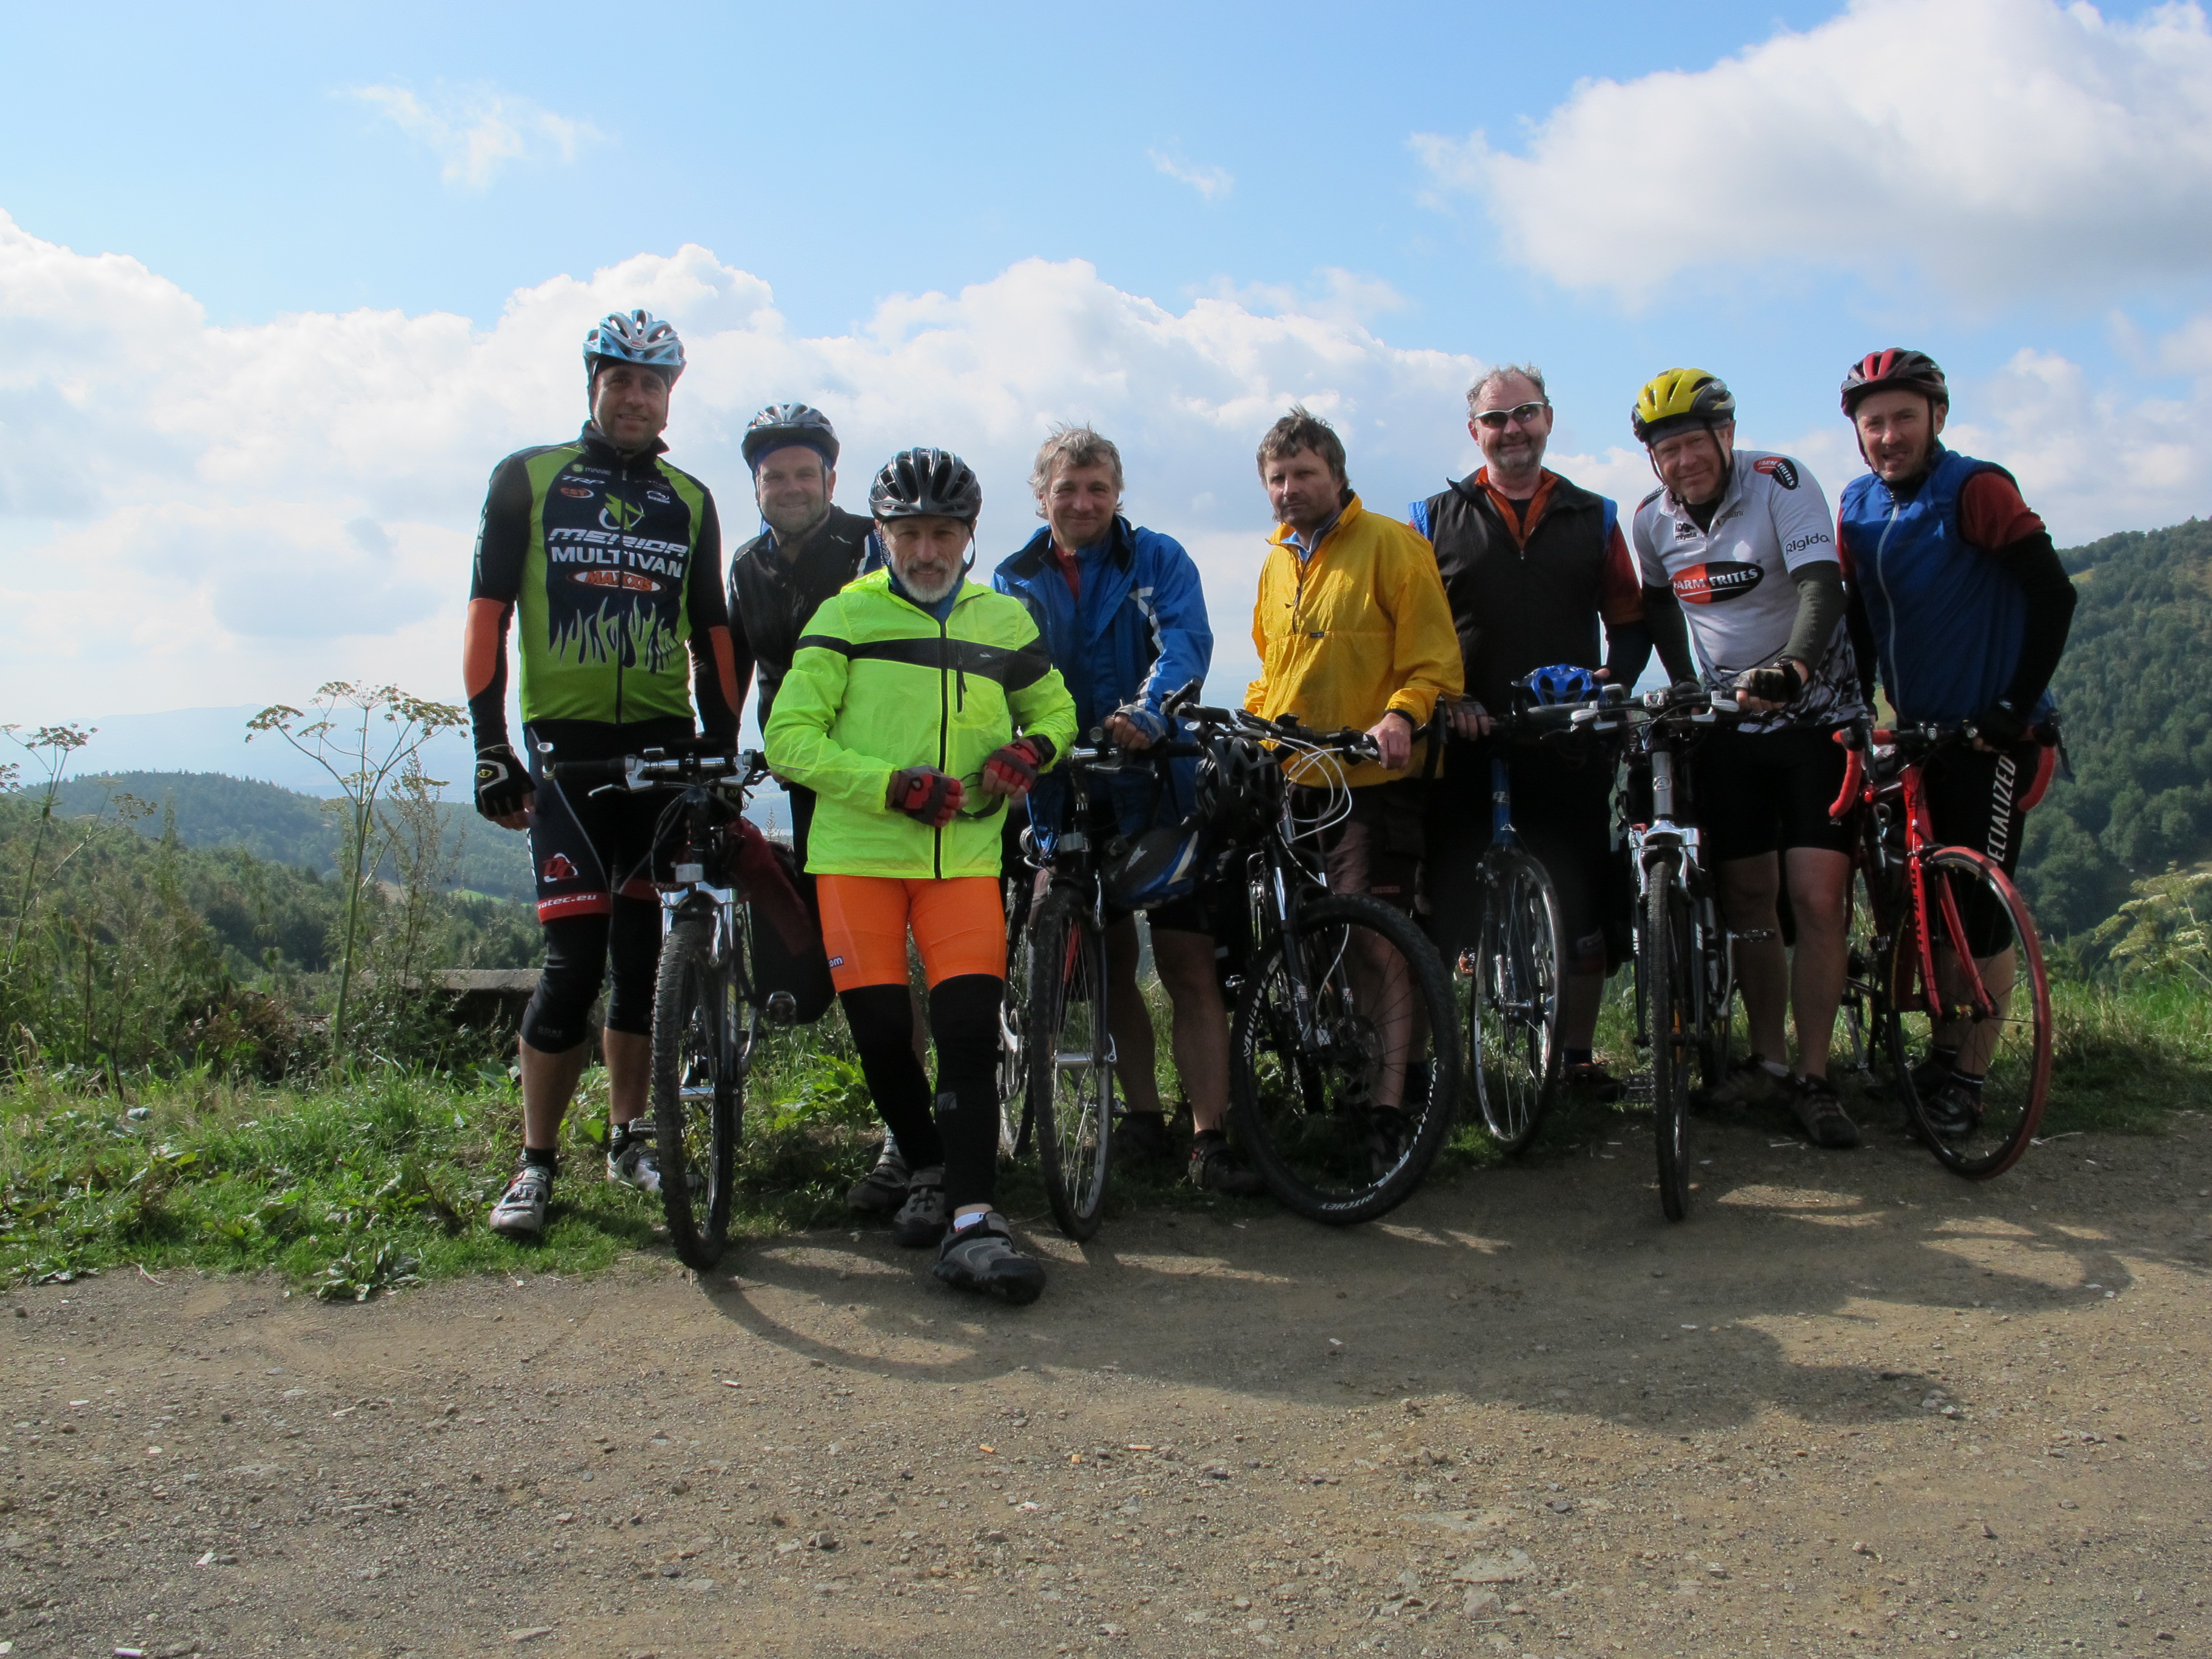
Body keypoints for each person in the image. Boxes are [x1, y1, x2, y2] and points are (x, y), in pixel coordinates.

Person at [765, 447, 1078, 1304]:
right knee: (879, 1035)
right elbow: (789, 739)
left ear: (969, 535)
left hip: (963, 860)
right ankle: (932, 1167)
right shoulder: (846, 615)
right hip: (858, 860)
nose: (927, 551)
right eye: (910, 534)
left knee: (969, 1033)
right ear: (882, 534)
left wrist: (1032, 749)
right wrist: (889, 786)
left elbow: (1055, 708)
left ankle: (973, 1222)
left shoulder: (1003, 620)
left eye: (944, 533)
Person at [466, 310, 741, 1238]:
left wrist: (721, 741)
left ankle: (629, 1138)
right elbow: (489, 612)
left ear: (670, 396)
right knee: (571, 964)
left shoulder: (689, 498)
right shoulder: (530, 477)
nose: (635, 397)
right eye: (619, 379)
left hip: (662, 747)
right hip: (568, 751)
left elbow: (712, 629)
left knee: (639, 961)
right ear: (593, 385)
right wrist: (490, 743)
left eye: (651, 383)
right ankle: (535, 1164)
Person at [994, 424, 1263, 1195]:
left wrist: (1150, 712)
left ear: (1118, 493)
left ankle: (1208, 1138)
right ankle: (1145, 1118)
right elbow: (1006, 677)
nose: (1083, 503)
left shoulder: (1158, 558)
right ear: (1040, 496)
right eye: (1067, 489)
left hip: (1160, 784)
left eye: (1098, 489)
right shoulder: (1014, 578)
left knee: (1186, 964)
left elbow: (1184, 643)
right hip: (1066, 789)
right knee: (1109, 961)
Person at [1836, 348, 2077, 1139]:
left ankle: (1968, 1080)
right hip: (1918, 736)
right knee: (1925, 906)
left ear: (1936, 417)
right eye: (1874, 422)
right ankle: (1940, 1058)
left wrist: (2012, 708)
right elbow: (1862, 619)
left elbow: (2053, 594)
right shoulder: (1857, 506)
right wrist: (1855, 705)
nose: (1889, 435)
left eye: (1905, 417)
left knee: (1978, 908)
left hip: (1992, 740)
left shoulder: (1976, 488)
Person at [1629, 368, 1866, 1150]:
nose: (1683, 461)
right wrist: (1685, 683)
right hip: (1730, 724)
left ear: (1724, 435)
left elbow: (1821, 587)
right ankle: (1768, 1064)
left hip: (1817, 719)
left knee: (1818, 898)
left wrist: (1795, 668)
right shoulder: (1650, 520)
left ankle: (1814, 1078)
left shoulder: (1779, 483)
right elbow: (1657, 602)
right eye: (1667, 450)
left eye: (1693, 443)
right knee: (1748, 897)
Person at [1412, 364, 1650, 1096]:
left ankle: (1575, 1059)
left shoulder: (1595, 516)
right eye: (1496, 418)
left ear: (1548, 419)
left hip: (1564, 740)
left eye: (1526, 413)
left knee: (1582, 910)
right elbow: (1412, 627)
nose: (1512, 429)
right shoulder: (1430, 518)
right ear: (1474, 431)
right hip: (1465, 738)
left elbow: (1629, 621)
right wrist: (1447, 698)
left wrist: (1612, 681)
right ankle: (1422, 1068)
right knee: (1440, 909)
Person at [1245, 407, 1461, 1125]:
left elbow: (1435, 662)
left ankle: (1390, 1106)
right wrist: (1251, 726)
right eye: (1277, 478)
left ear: (1337, 476)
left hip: (1372, 781)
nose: (1289, 489)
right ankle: (1351, 1080)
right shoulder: (1277, 562)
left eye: (1304, 473)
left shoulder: (1393, 546)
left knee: (1374, 940)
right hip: (1294, 779)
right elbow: (1272, 668)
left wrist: (1400, 715)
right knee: (1315, 943)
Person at [723, 403, 914, 1216]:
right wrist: (720, 749)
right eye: (776, 476)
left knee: (891, 956)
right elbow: (734, 666)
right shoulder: (746, 565)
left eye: (806, 473)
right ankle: (902, 1122)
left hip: (881, 774)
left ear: (832, 481)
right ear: (757, 487)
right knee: (850, 953)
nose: (792, 486)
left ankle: (907, 1138)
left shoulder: (871, 545)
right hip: (806, 775)